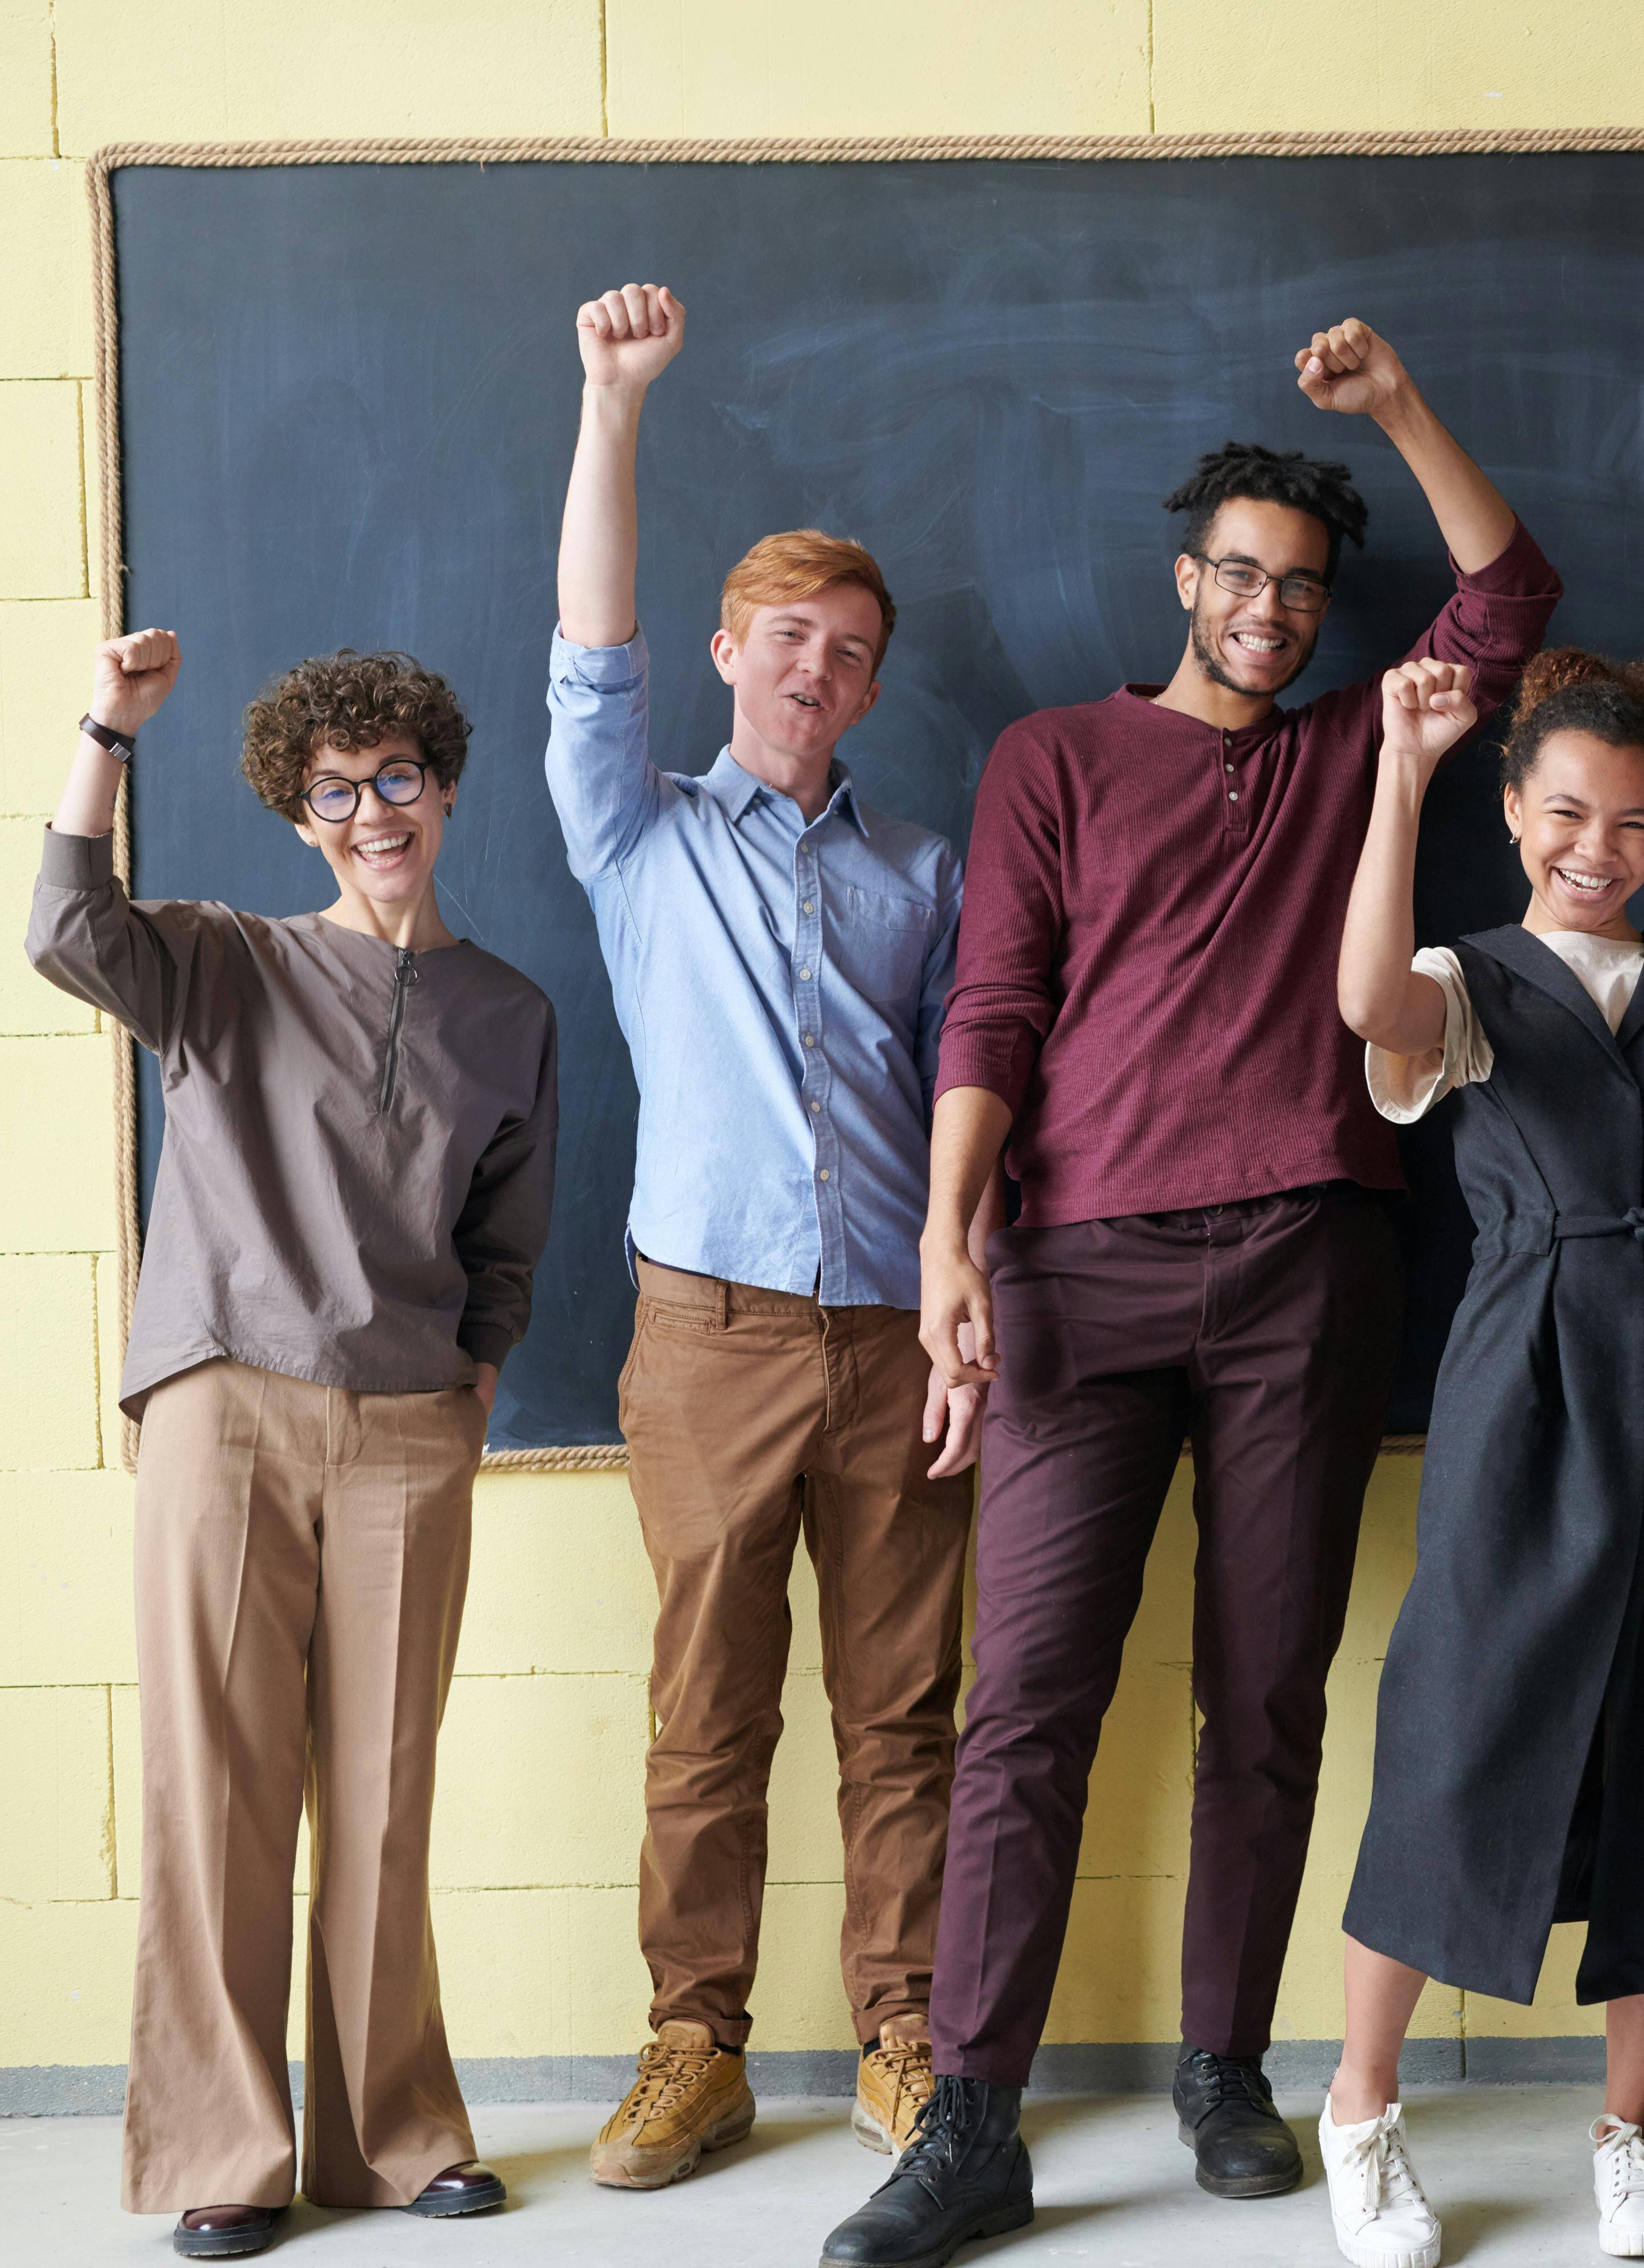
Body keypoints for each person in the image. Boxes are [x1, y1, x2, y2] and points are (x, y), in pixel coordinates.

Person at [821, 320, 1558, 2268]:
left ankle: (1226, 2070)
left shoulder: (1355, 751)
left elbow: (1512, 597)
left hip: (1313, 1259)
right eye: (1240, 575)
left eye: (1302, 589)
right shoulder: (1053, 757)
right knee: (1029, 1706)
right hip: (1077, 1269)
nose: (1270, 610)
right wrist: (947, 1238)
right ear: (1185, 581)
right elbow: (993, 1006)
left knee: (1267, 1700)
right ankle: (971, 2117)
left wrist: (1400, 406)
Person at [30, 632, 556, 2259]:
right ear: (299, 814)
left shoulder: (508, 1010)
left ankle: (394, 2138)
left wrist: (471, 1386)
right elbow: (62, 929)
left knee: (387, 1799)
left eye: (397, 778)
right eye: (335, 793)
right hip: (227, 1405)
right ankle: (220, 2148)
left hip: (409, 1429)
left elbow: (508, 1243)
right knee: (218, 1790)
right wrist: (108, 730)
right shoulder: (224, 960)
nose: (372, 812)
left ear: (444, 787)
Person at [543, 284, 984, 2190]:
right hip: (708, 1332)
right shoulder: (634, 831)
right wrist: (614, 405)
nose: (817, 668)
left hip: (895, 1331)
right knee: (707, 1710)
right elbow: (587, 647)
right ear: (727, 651)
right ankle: (693, 2046)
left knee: (903, 1712)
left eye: (852, 650)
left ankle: (901, 2032)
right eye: (786, 636)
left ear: (876, 687)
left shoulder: (926, 870)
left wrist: (972, 1324)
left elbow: (979, 1113)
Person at [1316, 650, 1644, 2268]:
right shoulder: (1469, 981)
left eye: (1637, 822)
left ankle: (1632, 2134)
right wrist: (1401, 766)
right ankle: (1362, 2110)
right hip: (1527, 1389)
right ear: (1517, 810)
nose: (1601, 846)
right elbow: (1363, 1001)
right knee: (1458, 1743)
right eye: (1569, 812)